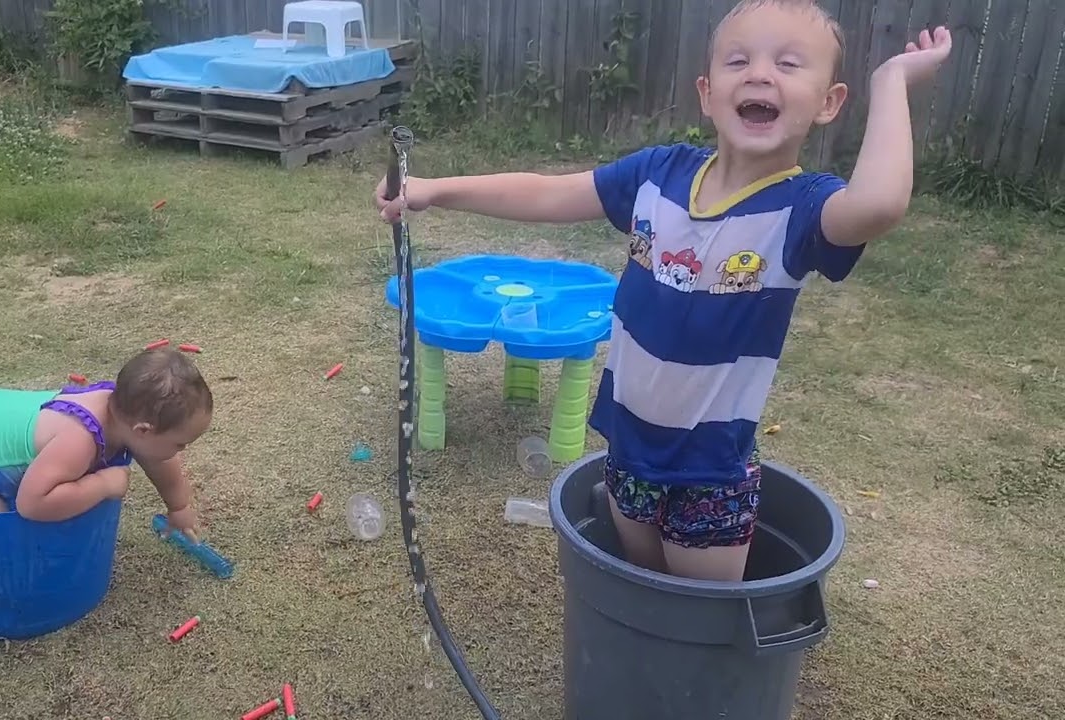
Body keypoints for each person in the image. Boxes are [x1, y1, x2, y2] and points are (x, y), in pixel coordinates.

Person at [374, 0, 952, 582]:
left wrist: (892, 80)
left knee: (700, 612)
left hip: (712, 469)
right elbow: (550, 193)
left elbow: (879, 204)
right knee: (643, 583)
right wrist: (434, 189)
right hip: (627, 444)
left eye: (789, 63)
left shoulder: (801, 211)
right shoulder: (658, 175)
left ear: (828, 103)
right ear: (707, 92)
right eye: (738, 60)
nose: (759, 73)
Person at [0, 346, 212, 539]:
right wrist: (103, 485)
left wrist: (179, 506)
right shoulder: (78, 438)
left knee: (36, 499)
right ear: (144, 430)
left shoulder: (125, 411)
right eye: (180, 445)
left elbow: (160, 460)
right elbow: (32, 505)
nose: (180, 452)